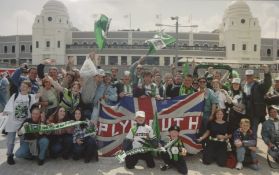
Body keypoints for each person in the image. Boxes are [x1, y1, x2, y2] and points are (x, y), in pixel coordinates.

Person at [3, 80, 39, 165]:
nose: (23, 88)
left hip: (24, 123)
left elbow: (33, 108)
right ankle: (10, 155)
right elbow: (8, 106)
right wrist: (5, 112)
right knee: (10, 141)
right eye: (22, 86)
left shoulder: (30, 97)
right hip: (12, 122)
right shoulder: (15, 96)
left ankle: (24, 153)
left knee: (23, 139)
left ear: (29, 89)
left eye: (25, 86)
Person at [243, 66, 272, 136]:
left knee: (264, 131)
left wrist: (267, 73)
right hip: (249, 113)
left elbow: (267, 84)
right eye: (247, 76)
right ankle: (253, 145)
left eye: (250, 76)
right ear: (245, 76)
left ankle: (271, 145)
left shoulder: (258, 84)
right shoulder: (244, 85)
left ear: (253, 76)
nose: (249, 77)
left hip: (258, 113)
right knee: (252, 132)